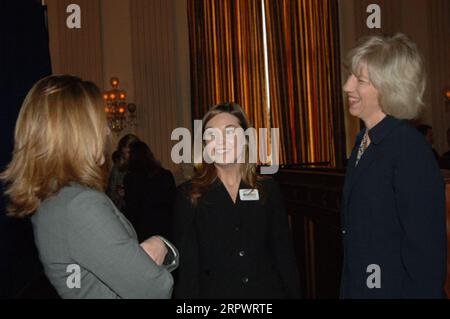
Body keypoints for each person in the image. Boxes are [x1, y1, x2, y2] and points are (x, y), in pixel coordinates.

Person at [0, 75, 175, 299]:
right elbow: (155, 288)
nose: (106, 132)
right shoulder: (79, 205)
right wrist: (161, 245)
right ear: (78, 132)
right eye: (99, 123)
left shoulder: (54, 198)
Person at [341, 33, 447, 298]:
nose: (347, 86)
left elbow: (425, 255)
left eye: (360, 80)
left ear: (390, 87)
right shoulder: (363, 141)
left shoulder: (408, 149)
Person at [173, 102, 301, 299]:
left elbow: (284, 257)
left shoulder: (268, 190)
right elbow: (189, 270)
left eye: (230, 132)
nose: (221, 141)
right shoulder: (189, 195)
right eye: (211, 135)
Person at [124, 140, 176, 242]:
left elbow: (132, 208)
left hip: (143, 230)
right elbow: (173, 202)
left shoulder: (130, 178)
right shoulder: (165, 175)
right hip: (165, 227)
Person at [106, 134, 140, 211]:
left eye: (130, 152)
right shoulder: (117, 169)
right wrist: (118, 195)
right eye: (125, 153)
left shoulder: (146, 168)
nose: (128, 157)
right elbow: (110, 197)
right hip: (124, 213)